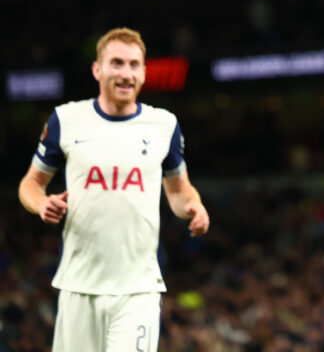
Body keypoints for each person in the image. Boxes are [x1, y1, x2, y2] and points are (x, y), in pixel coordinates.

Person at [18, 27, 210, 352]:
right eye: (117, 63)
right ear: (97, 69)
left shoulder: (164, 126)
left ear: (144, 72)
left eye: (134, 65)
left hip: (138, 289)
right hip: (78, 285)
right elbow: (30, 184)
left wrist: (194, 206)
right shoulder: (66, 120)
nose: (126, 73)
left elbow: (180, 191)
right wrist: (40, 204)